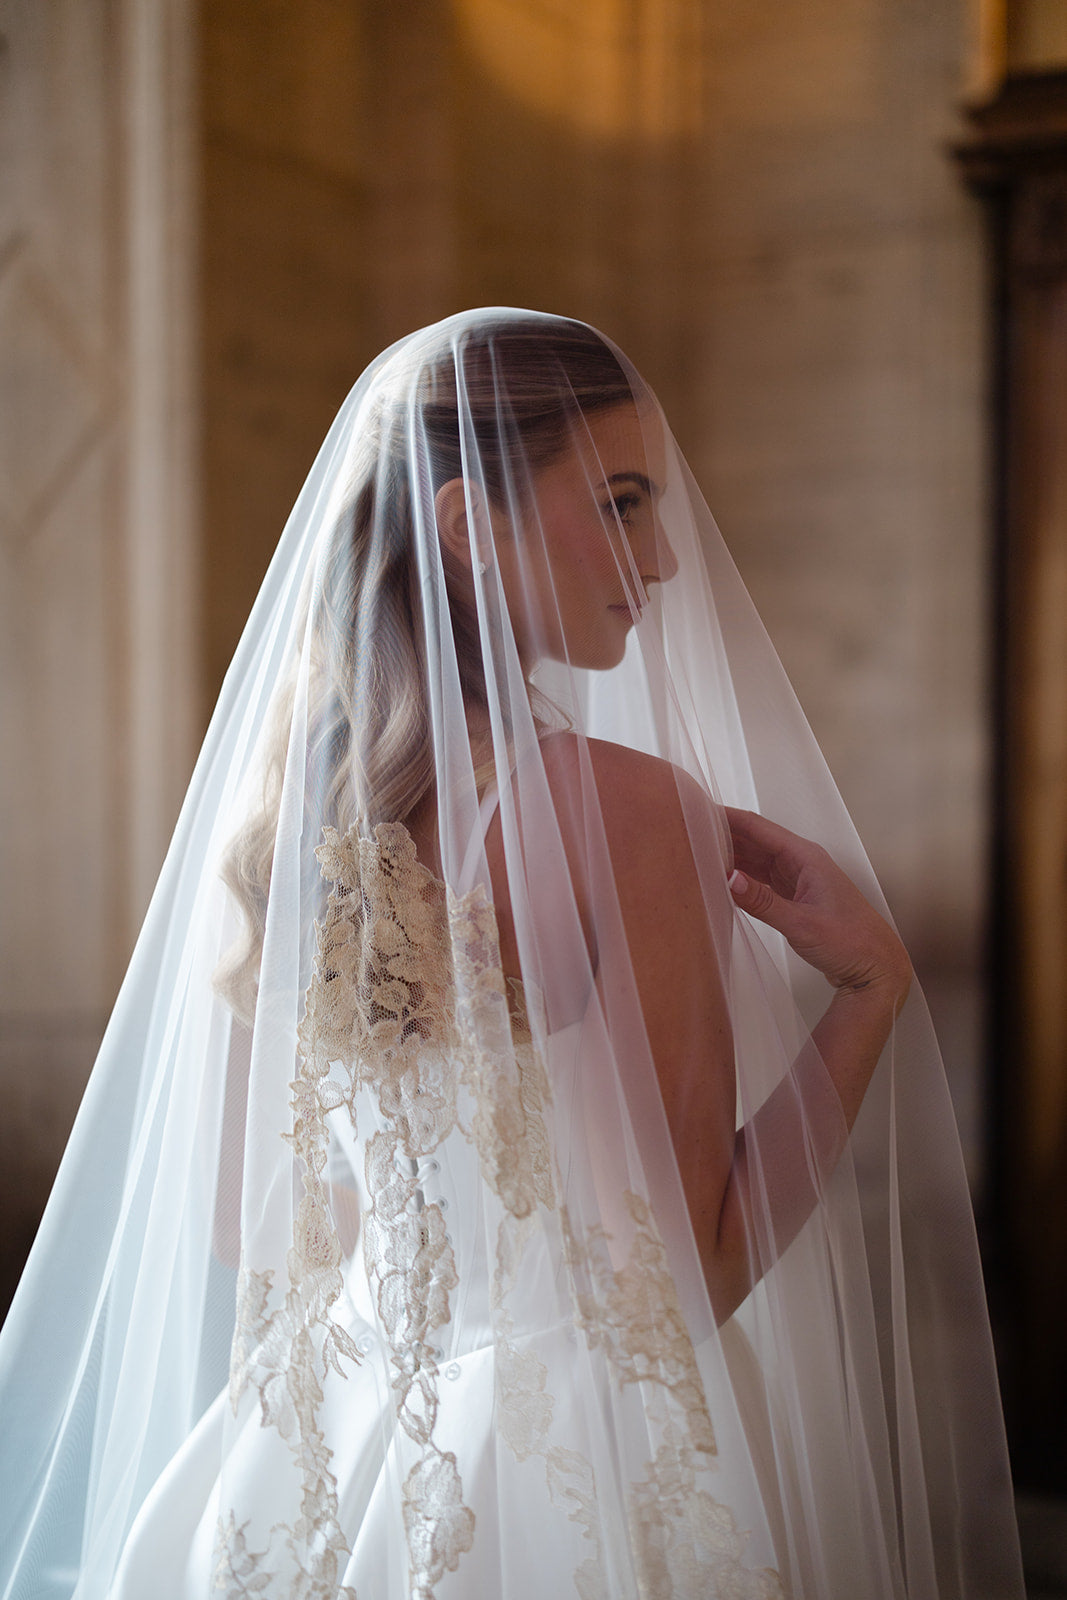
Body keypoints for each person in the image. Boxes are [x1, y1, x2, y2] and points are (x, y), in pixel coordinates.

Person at [0, 310, 1022, 1598]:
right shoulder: (628, 816)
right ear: (466, 524)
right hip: (574, 1470)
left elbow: (241, 1223)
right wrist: (867, 992)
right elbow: (692, 1279)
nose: (662, 560)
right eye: (621, 504)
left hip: (326, 1440)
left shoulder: (296, 818)